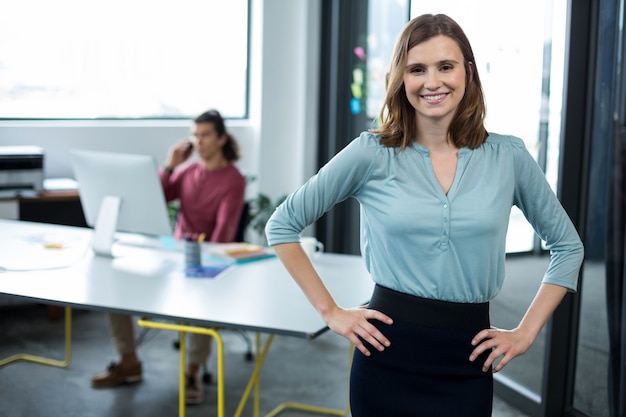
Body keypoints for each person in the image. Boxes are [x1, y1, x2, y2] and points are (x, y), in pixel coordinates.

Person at [265, 14, 584, 417]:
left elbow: (568, 246)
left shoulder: (510, 157)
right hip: (385, 357)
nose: (432, 82)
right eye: (417, 69)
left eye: (445, 67)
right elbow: (282, 225)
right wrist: (332, 313)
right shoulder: (371, 153)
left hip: (468, 362)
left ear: (468, 72)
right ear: (402, 78)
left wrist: (525, 333)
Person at [91, 109, 246, 405]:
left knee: (202, 298)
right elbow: (153, 199)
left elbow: (223, 234)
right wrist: (170, 166)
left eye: (205, 135)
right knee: (116, 285)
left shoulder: (233, 180)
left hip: (206, 259)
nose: (198, 142)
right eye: (195, 135)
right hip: (171, 254)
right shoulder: (187, 171)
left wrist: (198, 263)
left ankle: (193, 370)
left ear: (222, 138)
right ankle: (128, 362)